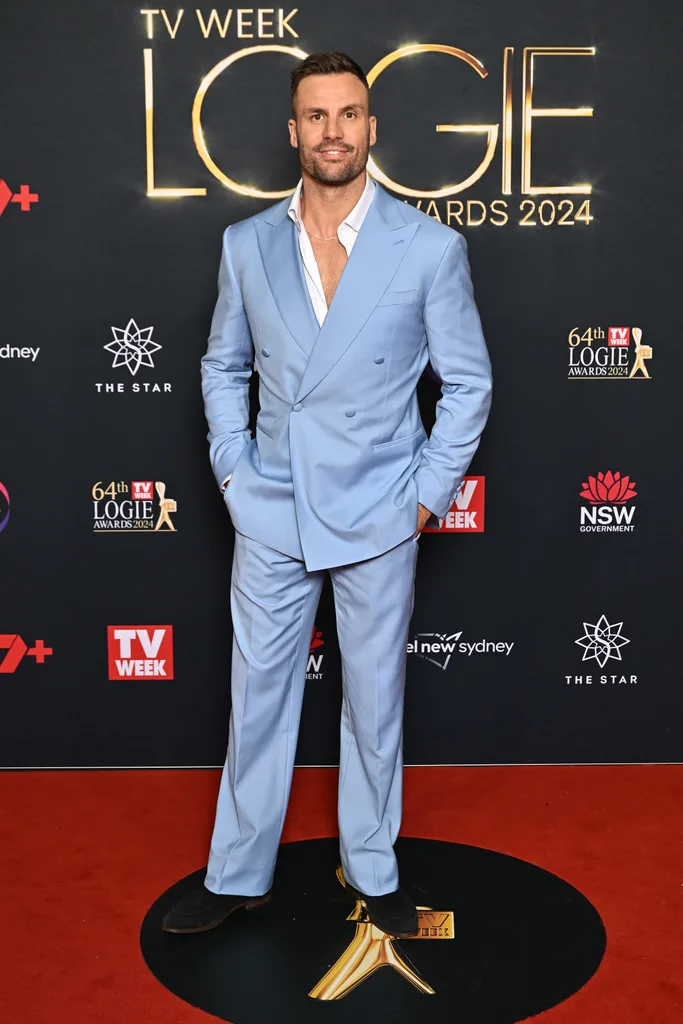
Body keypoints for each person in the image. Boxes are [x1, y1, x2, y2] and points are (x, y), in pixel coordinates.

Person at [162, 51, 492, 938]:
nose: (332, 131)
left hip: (382, 507)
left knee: (374, 698)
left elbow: (467, 383)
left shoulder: (428, 248)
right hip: (270, 505)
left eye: (348, 114)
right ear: (292, 131)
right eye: (315, 116)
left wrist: (424, 497)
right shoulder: (247, 244)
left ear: (371, 127)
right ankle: (237, 874)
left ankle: (372, 863)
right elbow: (222, 366)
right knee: (256, 693)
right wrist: (232, 468)